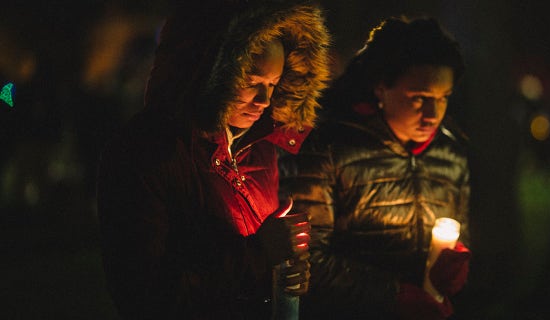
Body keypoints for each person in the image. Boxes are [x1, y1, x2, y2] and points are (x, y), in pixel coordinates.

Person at [95, 0, 331, 318]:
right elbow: (144, 294)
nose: (265, 100)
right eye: (251, 83)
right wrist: (260, 253)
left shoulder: (259, 147)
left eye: (273, 85)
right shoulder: (148, 153)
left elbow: (263, 261)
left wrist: (285, 273)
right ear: (210, 72)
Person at [279, 16, 471, 319]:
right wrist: (394, 296)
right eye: (419, 98)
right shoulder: (328, 148)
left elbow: (457, 232)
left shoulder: (450, 154)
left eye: (443, 97)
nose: (433, 114)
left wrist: (456, 263)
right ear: (381, 88)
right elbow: (306, 259)